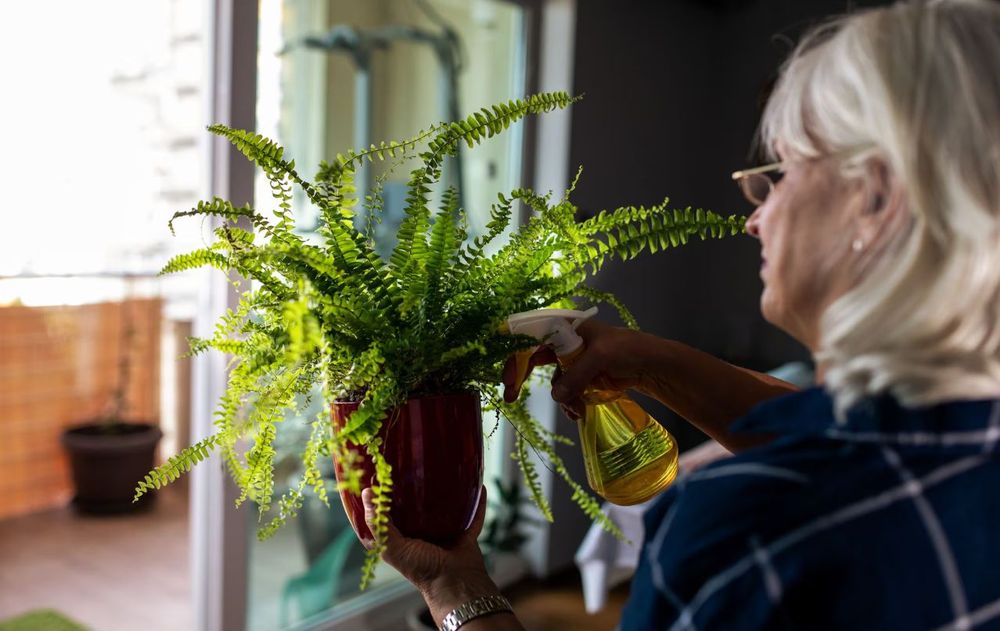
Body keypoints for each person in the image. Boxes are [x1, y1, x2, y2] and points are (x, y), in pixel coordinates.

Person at [360, 0, 1000, 628]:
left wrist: (454, 587)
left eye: (779, 173)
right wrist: (656, 363)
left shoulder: (751, 533)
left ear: (876, 197)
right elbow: (843, 432)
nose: (755, 215)